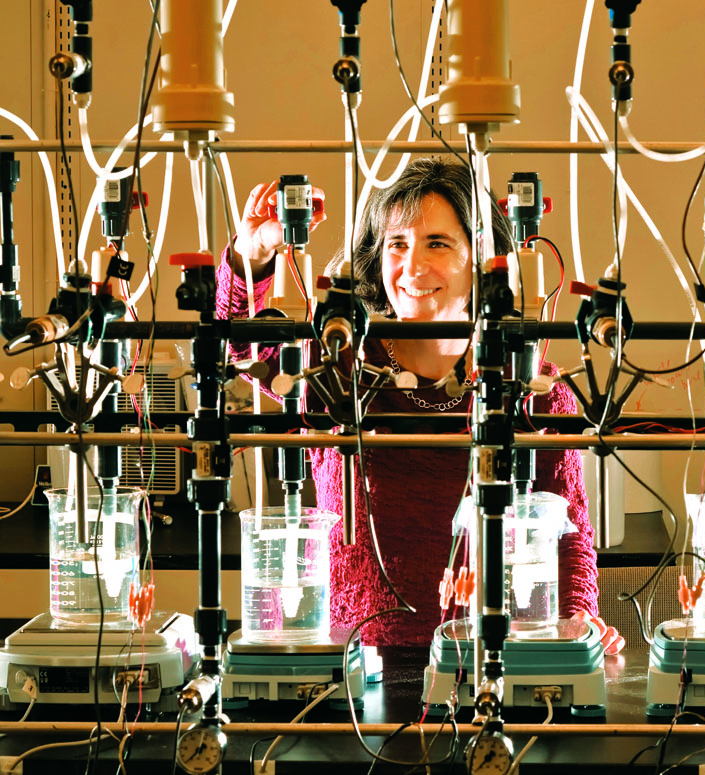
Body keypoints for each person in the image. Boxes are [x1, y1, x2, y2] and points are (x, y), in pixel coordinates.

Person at [217, 157, 619, 652]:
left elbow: (569, 531)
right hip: (347, 661)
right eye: (397, 245)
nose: (412, 267)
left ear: (483, 259)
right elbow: (241, 349)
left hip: (480, 661)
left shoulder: (531, 388)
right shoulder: (337, 368)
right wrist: (253, 253)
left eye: (437, 244)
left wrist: (579, 621)